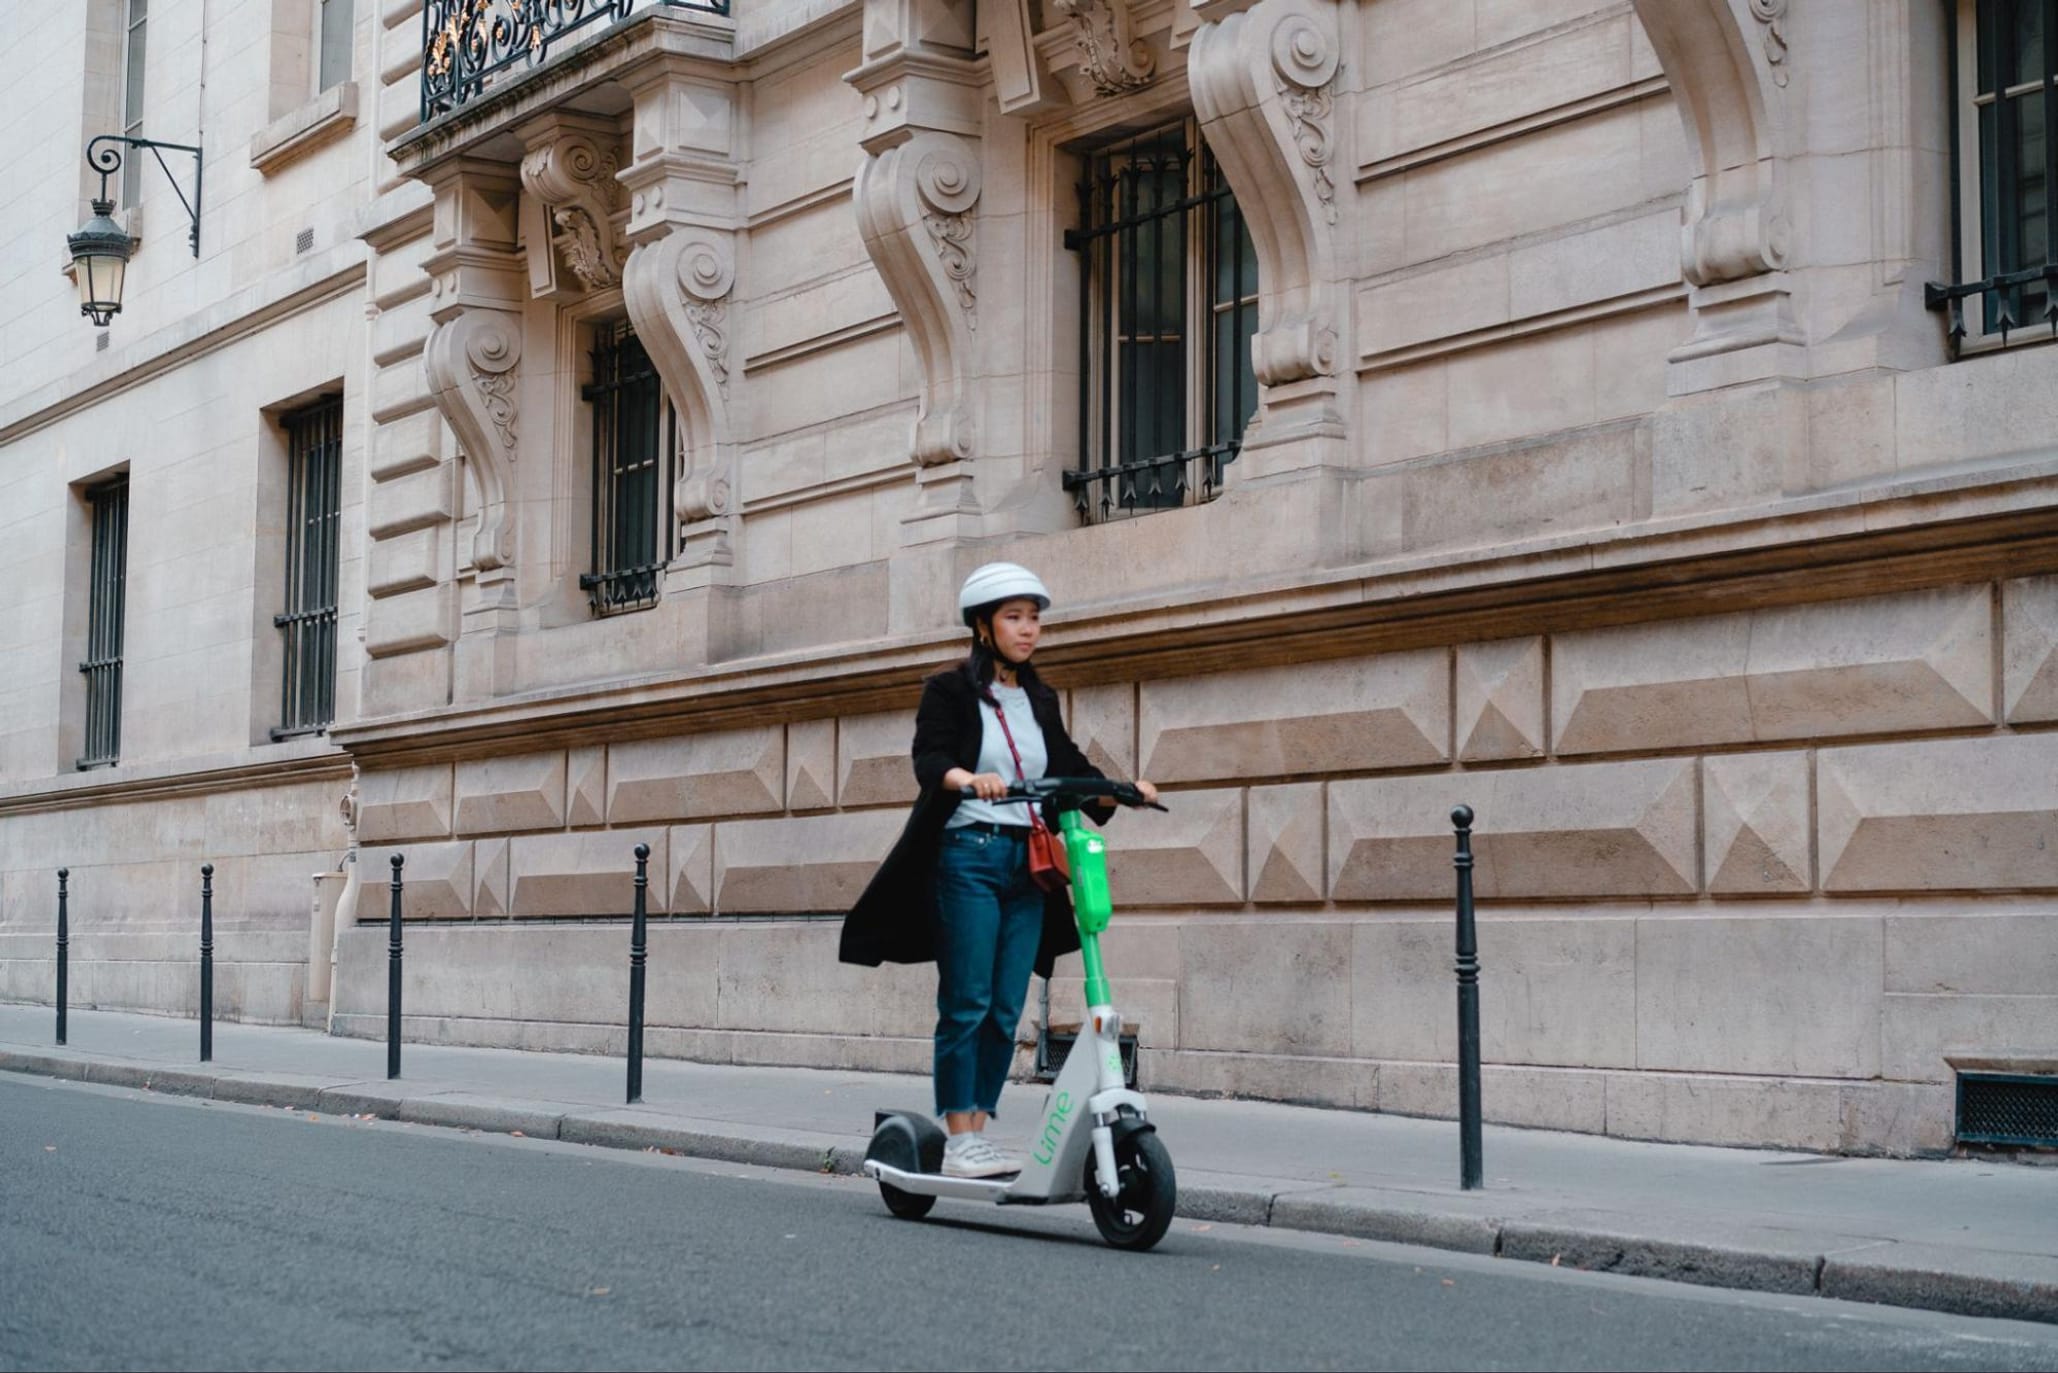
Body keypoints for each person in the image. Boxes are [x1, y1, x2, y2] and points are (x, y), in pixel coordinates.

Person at [841, 562, 1159, 1178]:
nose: (1028, 629)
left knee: (1007, 1005)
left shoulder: (1039, 695)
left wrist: (1120, 790)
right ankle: (959, 1136)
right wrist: (968, 780)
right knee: (969, 999)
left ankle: (979, 1128)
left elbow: (1065, 760)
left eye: (1034, 618)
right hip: (969, 858)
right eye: (1014, 618)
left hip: (1028, 867)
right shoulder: (949, 690)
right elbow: (929, 757)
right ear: (984, 626)